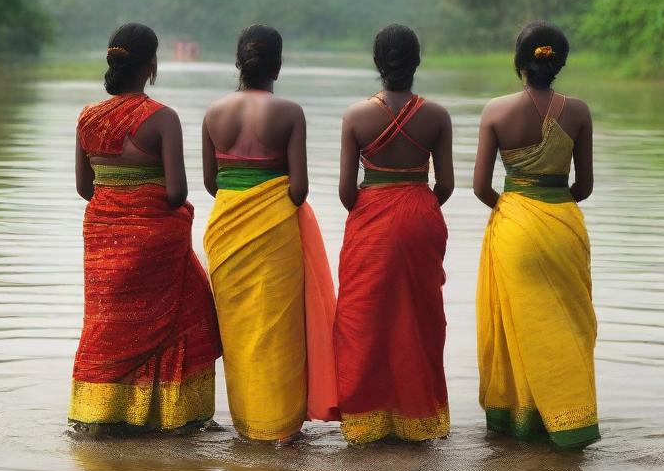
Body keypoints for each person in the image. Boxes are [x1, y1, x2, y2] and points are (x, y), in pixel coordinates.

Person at [69, 23, 221, 433]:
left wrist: (118, 208)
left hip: (102, 237)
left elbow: (87, 188)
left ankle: (101, 411)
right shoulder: (162, 119)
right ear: (151, 65)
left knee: (108, 322)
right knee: (187, 310)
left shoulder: (87, 118)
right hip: (154, 239)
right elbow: (176, 192)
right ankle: (169, 416)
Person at [202, 24, 336, 443]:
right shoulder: (289, 113)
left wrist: (242, 194)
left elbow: (212, 182)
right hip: (275, 229)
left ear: (238, 62)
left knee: (240, 331)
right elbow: (299, 189)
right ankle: (279, 428)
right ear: (278, 64)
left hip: (225, 229)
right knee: (279, 330)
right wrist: (269, 193)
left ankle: (247, 426)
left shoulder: (213, 113)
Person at [473, 20, 599, 448]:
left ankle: (520, 422)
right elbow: (584, 187)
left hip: (515, 229)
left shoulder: (495, 111)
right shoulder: (579, 111)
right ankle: (569, 421)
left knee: (519, 327)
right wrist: (550, 203)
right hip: (564, 224)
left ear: (519, 62)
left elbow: (480, 188)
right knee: (568, 326)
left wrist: (515, 210)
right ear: (558, 63)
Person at [333, 24, 453, 444]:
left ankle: (367, 422)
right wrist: (414, 203)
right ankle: (418, 420)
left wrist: (376, 209)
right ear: (417, 62)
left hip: (371, 219)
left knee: (364, 318)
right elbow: (446, 186)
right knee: (419, 319)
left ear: (376, 64)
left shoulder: (355, 116)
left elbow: (347, 191)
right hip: (421, 213)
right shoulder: (437, 116)